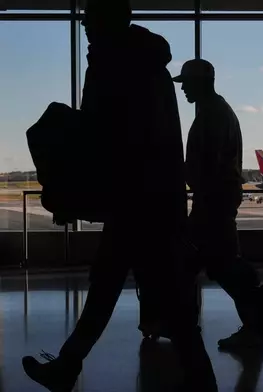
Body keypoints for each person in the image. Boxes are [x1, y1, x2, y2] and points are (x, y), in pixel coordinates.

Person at [21, 1, 218, 391]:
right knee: (125, 291)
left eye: (89, 18)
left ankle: (70, 367)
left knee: (133, 295)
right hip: (151, 201)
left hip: (134, 202)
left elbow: (102, 138)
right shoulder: (150, 66)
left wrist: (70, 182)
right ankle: (68, 364)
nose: (84, 25)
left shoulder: (112, 65)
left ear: (105, 21)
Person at [172, 59, 263, 351]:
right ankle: (248, 327)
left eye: (186, 82)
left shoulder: (212, 115)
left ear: (200, 82)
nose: (183, 88)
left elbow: (207, 165)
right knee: (211, 266)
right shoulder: (219, 111)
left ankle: (252, 328)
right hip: (217, 200)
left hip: (212, 203)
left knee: (219, 268)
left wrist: (180, 173)